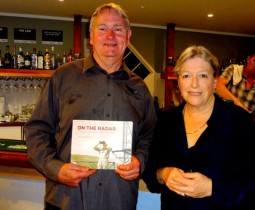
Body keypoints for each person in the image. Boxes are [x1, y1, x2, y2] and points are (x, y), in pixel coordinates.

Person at [24, 3, 156, 210]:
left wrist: (140, 160)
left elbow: (148, 137)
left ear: (128, 36)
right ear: (91, 37)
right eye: (102, 28)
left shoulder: (141, 88)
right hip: (66, 200)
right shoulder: (63, 77)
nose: (110, 36)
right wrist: (56, 169)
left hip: (118, 201)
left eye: (118, 29)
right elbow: (36, 131)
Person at [143, 45, 255, 210]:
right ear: (178, 81)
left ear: (214, 81)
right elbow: (150, 174)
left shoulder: (240, 122)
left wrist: (213, 188)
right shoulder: (165, 121)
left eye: (203, 76)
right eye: (186, 76)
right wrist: (164, 174)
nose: (194, 84)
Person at [215, 46, 255, 128]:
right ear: (248, 59)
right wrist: (241, 107)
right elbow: (218, 86)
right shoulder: (233, 70)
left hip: (243, 128)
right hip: (223, 124)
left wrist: (253, 129)